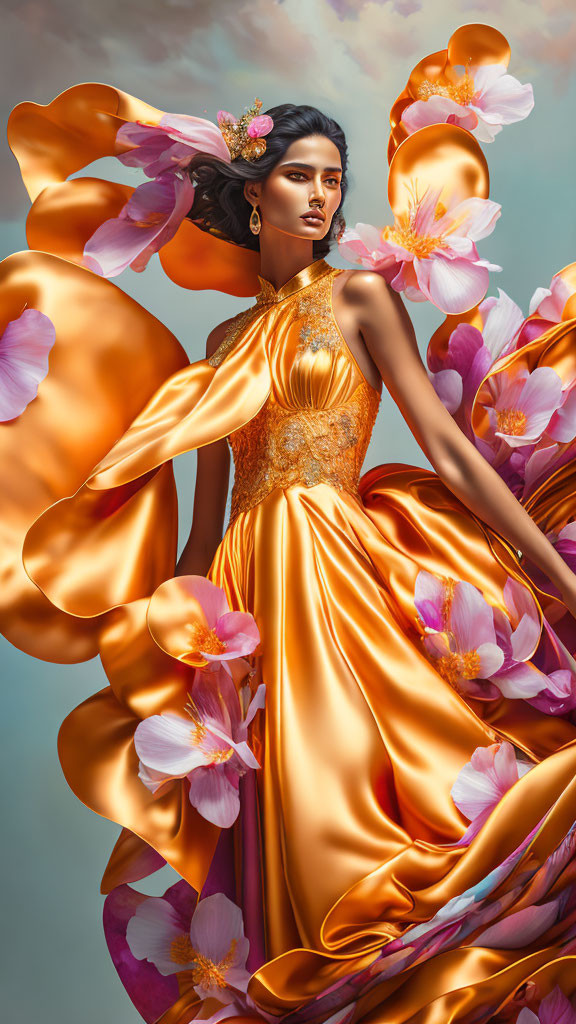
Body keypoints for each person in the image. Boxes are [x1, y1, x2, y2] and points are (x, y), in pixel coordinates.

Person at [2, 47, 576, 1024]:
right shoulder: (222, 348)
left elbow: (448, 451)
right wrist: (172, 649)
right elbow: (213, 510)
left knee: (379, 796)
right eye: (300, 175)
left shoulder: (358, 300)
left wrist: (552, 567)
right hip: (249, 595)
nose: (319, 196)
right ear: (254, 193)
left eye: (332, 181)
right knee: (285, 833)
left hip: (339, 569)